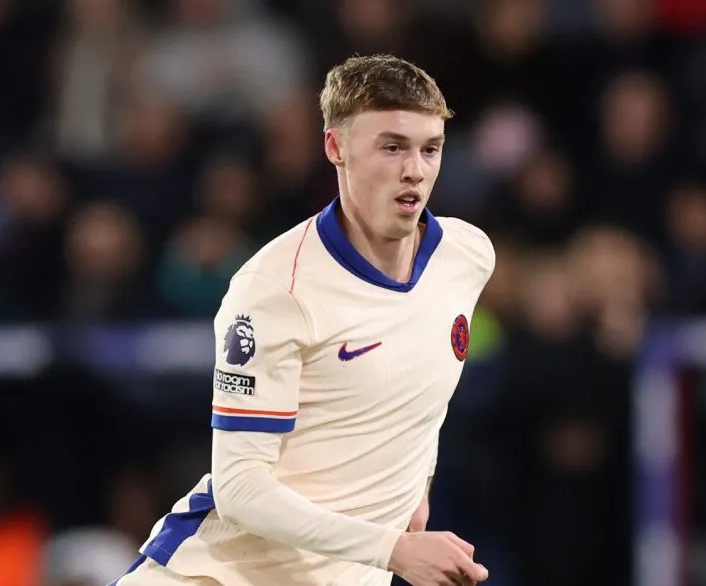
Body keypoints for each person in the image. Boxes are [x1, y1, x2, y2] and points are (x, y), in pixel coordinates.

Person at [112, 54, 495, 586]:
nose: (415, 169)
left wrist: (417, 486)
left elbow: (418, 383)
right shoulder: (273, 289)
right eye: (391, 147)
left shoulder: (467, 256)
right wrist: (392, 549)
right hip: (220, 575)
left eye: (430, 149)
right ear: (335, 148)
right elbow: (240, 489)